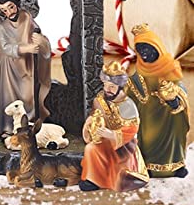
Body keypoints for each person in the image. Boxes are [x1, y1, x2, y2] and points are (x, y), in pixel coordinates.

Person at [126, 23, 190, 178]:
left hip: (170, 114)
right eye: (140, 50)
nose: (144, 53)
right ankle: (149, 165)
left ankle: (177, 165)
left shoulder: (169, 66)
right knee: (149, 138)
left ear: (157, 48)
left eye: (147, 48)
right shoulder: (138, 73)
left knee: (176, 134)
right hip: (149, 114)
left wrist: (175, 99)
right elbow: (131, 93)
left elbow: (181, 88)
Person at [79, 61, 149, 191]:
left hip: (123, 145)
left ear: (120, 87)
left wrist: (111, 134)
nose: (107, 89)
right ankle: (94, 179)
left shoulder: (128, 105)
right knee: (91, 149)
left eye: (111, 86)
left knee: (120, 167)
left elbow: (132, 130)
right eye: (105, 85)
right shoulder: (100, 99)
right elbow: (96, 114)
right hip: (104, 139)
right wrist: (91, 122)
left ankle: (112, 180)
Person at [0, 0, 51, 135]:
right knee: (10, 97)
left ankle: (28, 125)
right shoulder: (3, 27)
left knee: (28, 95)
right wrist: (25, 48)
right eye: (4, 10)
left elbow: (40, 39)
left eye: (10, 7)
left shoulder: (28, 20)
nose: (9, 12)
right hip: (9, 67)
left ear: (16, 4)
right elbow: (5, 48)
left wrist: (40, 41)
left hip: (27, 66)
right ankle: (9, 128)